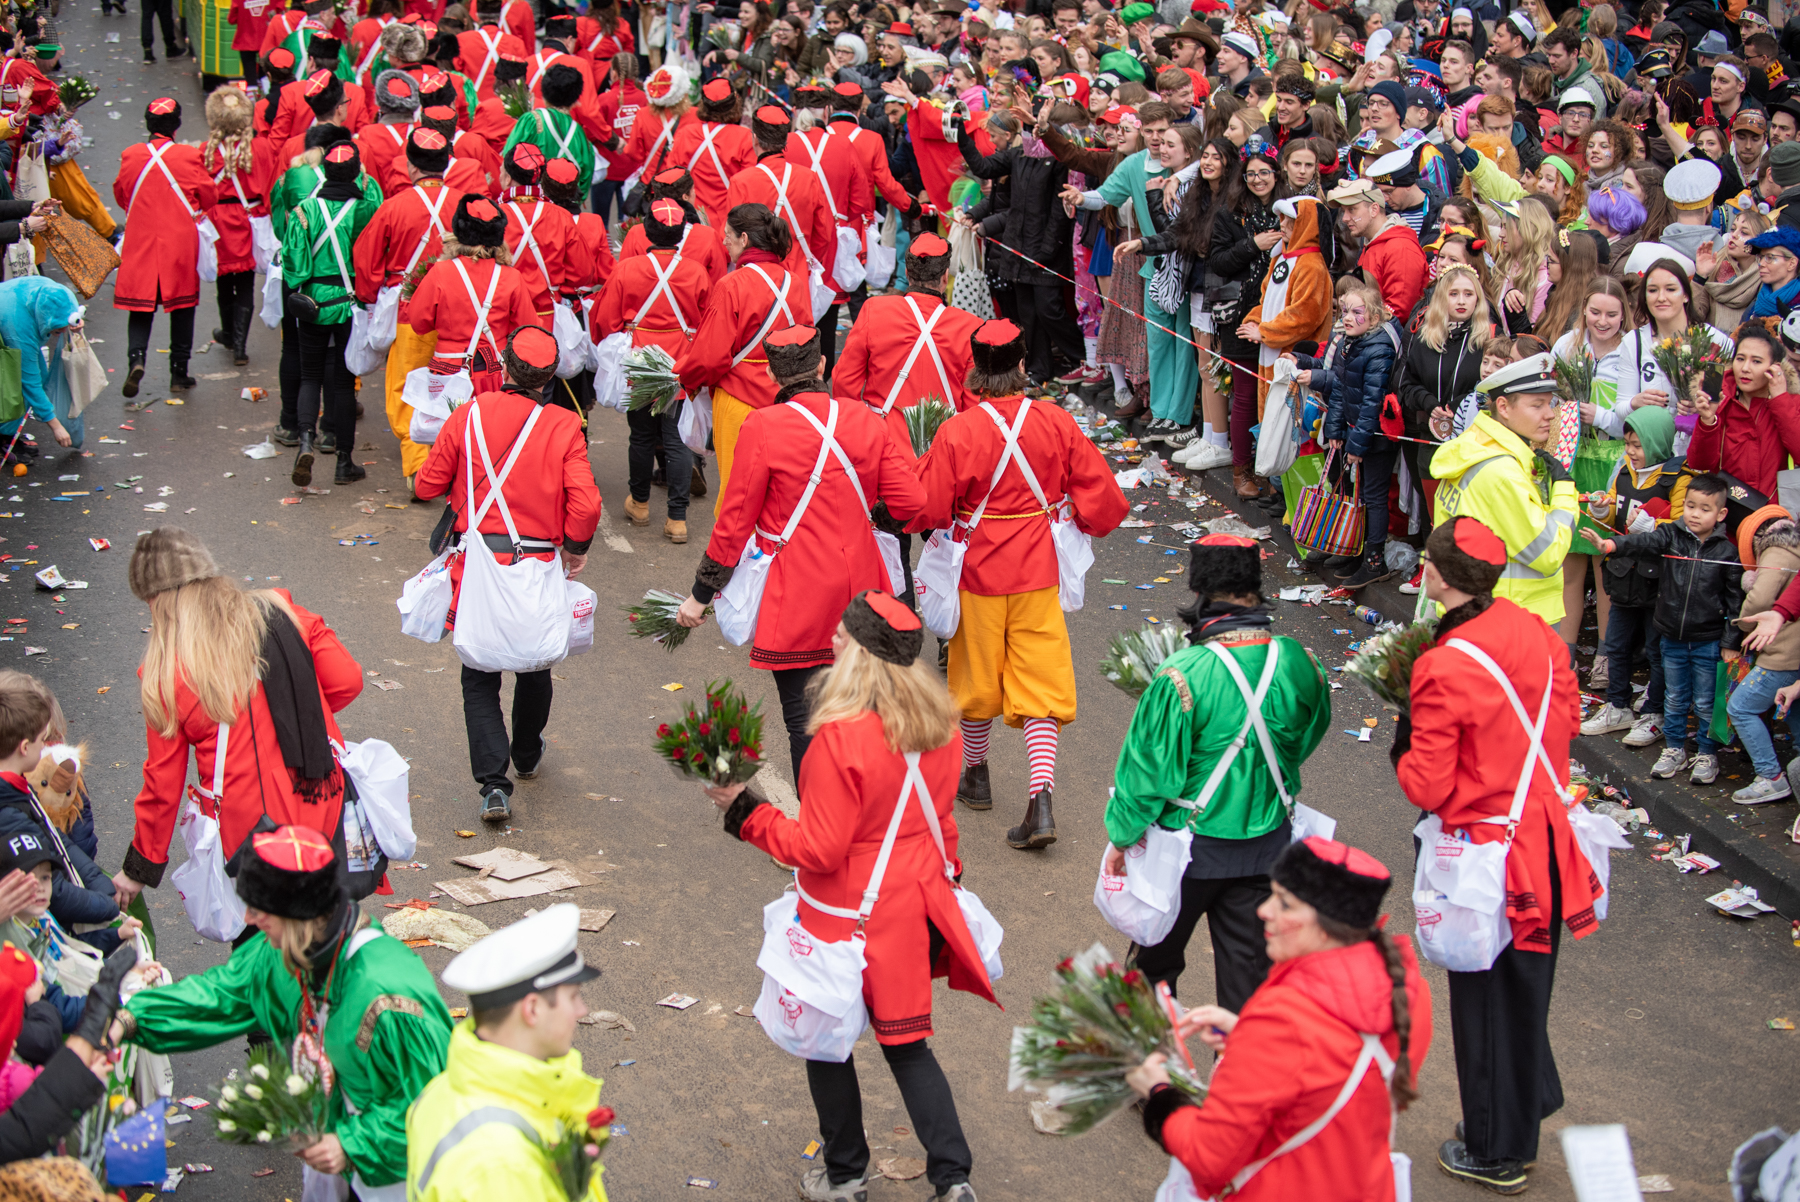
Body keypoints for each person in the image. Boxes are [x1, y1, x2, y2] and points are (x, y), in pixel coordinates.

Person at [703, 591, 994, 1202]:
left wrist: (744, 811)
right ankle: (954, 1179)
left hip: (844, 917)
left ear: (862, 653)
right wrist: (949, 877)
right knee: (908, 1048)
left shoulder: (839, 738)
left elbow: (818, 849)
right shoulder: (938, 726)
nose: (832, 639)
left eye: (843, 634)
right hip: (911, 910)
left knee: (827, 1048)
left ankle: (845, 1176)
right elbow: (942, 823)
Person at [1394, 516, 1600, 1194]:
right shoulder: (1537, 632)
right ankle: (1526, 1100)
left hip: (1486, 852)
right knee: (1521, 986)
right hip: (1546, 833)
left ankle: (1495, 1148)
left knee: (1484, 997)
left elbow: (1426, 784)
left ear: (1434, 574)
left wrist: (1405, 738)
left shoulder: (1444, 663)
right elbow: (1568, 721)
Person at [116, 824, 454, 1200]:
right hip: (339, 1162)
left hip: (405, 1179)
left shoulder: (388, 997)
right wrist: (127, 1018)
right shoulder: (288, 952)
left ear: (297, 914)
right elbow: (220, 995)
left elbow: (435, 1107)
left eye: (259, 909)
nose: (249, 918)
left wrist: (350, 1144)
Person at [908, 320, 1127, 848]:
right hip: (1038, 573)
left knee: (974, 677)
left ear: (976, 372)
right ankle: (1040, 801)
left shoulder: (958, 431)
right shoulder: (1055, 421)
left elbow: (928, 507)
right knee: (1041, 684)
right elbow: (1105, 499)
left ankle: (976, 775)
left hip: (977, 573)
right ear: (1023, 365)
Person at [676, 326, 926, 779]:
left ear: (772, 374)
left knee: (805, 721)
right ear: (822, 365)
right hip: (863, 587)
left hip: (797, 597)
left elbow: (734, 522)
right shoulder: (867, 419)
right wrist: (871, 515)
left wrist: (700, 594)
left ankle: (817, 818)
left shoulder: (762, 426)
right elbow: (911, 501)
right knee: (862, 715)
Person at [1126, 837, 1431, 1202]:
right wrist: (1248, 1037)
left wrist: (1160, 1094)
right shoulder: (1404, 987)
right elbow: (1336, 1069)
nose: (1264, 911)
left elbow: (1209, 1156)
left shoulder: (1283, 1017)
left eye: (1285, 904)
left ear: (1327, 925)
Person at [1105, 534, 1331, 1010]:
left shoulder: (1182, 673)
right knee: (1250, 989)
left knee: (1150, 978)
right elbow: (1305, 737)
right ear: (1256, 587)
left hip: (1185, 853)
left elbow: (1148, 775)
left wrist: (1122, 837)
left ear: (1198, 591)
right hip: (1269, 846)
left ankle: (1160, 1058)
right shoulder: (1299, 661)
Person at [114, 528, 364, 913]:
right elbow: (347, 681)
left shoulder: (168, 672)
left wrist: (139, 868)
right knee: (325, 919)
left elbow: (163, 783)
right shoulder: (283, 613)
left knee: (261, 933)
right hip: (321, 798)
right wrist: (292, 715)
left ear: (156, 600)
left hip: (247, 832)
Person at [414, 327, 600, 824]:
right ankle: (527, 754)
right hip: (537, 562)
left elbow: (427, 484)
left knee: (478, 673)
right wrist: (575, 549)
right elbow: (586, 505)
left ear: (506, 368)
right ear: (548, 378)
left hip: (477, 563)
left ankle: (493, 785)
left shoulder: (468, 414)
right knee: (534, 663)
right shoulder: (564, 424)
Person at [409, 904, 612, 1202]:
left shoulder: (440, 1090)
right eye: (573, 997)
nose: (582, 1010)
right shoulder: (503, 1167)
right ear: (533, 1009)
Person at [674, 203, 812, 514]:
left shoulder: (731, 284)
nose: (724, 241)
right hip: (786, 401)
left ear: (745, 239)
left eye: (728, 235)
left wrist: (686, 379)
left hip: (739, 403)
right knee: (779, 496)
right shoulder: (794, 282)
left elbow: (709, 358)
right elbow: (806, 341)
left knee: (736, 498)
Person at [353, 126, 466, 495]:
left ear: (411, 166)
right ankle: (452, 458)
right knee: (454, 382)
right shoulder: (465, 204)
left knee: (405, 385)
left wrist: (368, 297)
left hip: (408, 309)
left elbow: (366, 258)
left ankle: (419, 465)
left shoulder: (393, 206)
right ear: (446, 163)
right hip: (458, 309)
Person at [590, 198, 711, 540]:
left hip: (639, 363)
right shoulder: (697, 272)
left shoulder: (627, 269)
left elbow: (605, 319)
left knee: (641, 436)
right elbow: (707, 322)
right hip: (680, 364)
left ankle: (640, 504)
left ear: (646, 230)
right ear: (681, 233)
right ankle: (677, 519)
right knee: (676, 440)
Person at [1431, 353, 1580, 628]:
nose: (1550, 414)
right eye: (1537, 405)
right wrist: (1564, 490)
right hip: (1512, 620)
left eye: (1550, 403)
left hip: (1475, 612)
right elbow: (1549, 553)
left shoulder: (1474, 447)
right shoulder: (1503, 473)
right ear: (1503, 407)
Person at [1580, 405, 1682, 751]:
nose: (1631, 452)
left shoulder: (1677, 478)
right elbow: (1614, 513)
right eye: (1627, 444)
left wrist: (1651, 525)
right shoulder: (1623, 471)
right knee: (1617, 643)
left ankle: (1655, 712)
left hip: (1659, 579)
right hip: (1624, 573)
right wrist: (1600, 507)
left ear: (1657, 442)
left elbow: (1683, 525)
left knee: (1656, 649)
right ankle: (1618, 705)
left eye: (1638, 445)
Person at [1290, 282, 1404, 589]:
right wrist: (1336, 431)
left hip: (1375, 438)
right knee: (1359, 494)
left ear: (1375, 316)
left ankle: (1374, 561)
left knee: (1373, 497)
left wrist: (1356, 446)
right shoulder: (1349, 343)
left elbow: (1372, 403)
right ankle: (1357, 550)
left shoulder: (1379, 349)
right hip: (1354, 433)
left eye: (1357, 312)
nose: (1348, 318)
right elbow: (1340, 390)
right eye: (1344, 311)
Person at [282, 142, 380, 489]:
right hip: (350, 304)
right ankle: (343, 461)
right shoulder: (367, 209)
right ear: (355, 173)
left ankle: (305, 442)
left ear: (324, 170)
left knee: (310, 376)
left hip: (313, 303)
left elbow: (294, 268)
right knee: (343, 382)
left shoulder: (305, 210)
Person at [113, 98, 218, 401]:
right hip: (178, 241)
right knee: (183, 306)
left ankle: (136, 360)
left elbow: (121, 194)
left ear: (148, 124)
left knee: (140, 306)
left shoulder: (131, 155)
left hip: (141, 238)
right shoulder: (189, 155)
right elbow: (208, 196)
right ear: (177, 124)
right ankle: (178, 374)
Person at [408, 194, 538, 400]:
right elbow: (527, 329)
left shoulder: (440, 272)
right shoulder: (511, 277)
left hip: (449, 371)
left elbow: (418, 323)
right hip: (496, 371)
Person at [201, 86, 277, 368]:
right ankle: (240, 348)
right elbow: (270, 187)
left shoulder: (206, 150)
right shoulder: (261, 148)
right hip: (249, 218)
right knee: (245, 282)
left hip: (218, 219)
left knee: (224, 281)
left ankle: (229, 335)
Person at [0, 277, 79, 466]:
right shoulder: (20, 327)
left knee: (41, 377)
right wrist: (56, 426)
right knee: (14, 390)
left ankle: (8, 434)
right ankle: (3, 437)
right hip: (10, 323)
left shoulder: (58, 294)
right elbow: (29, 382)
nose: (64, 330)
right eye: (59, 327)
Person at [671, 79, 756, 229]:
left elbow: (672, 177)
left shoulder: (685, 134)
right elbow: (749, 186)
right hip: (729, 223)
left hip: (691, 219)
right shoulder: (745, 137)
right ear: (735, 104)